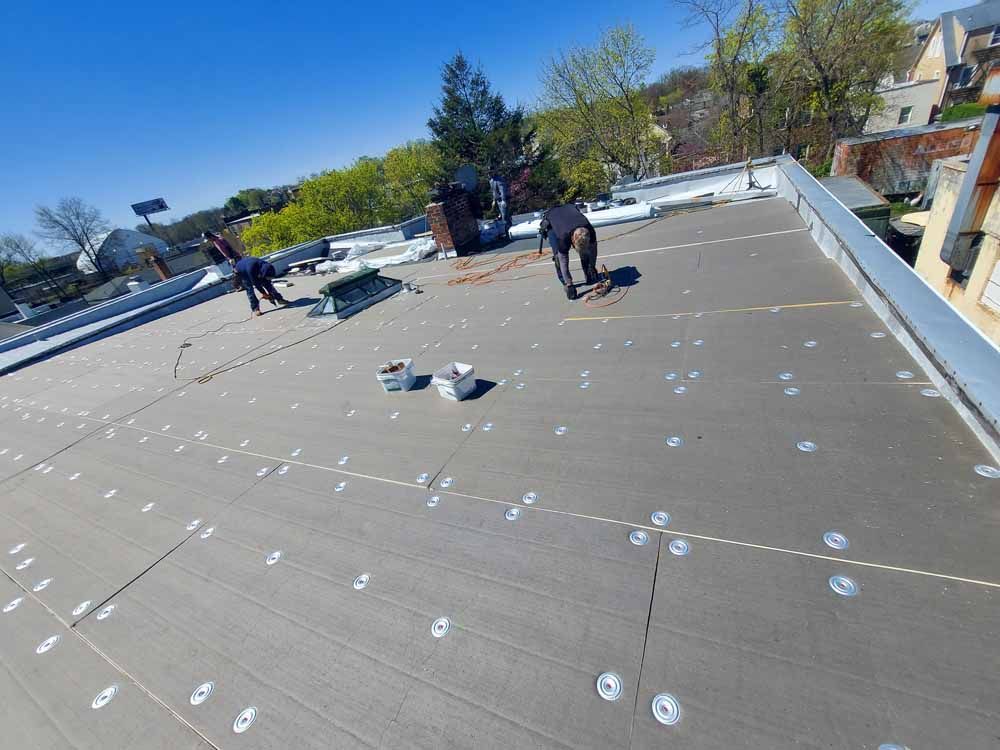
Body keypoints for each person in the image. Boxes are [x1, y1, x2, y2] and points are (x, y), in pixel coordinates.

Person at [540, 203, 599, 300]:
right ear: (572, 240)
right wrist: (569, 283)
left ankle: (588, 272)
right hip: (552, 222)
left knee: (586, 253)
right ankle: (565, 283)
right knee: (558, 259)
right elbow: (563, 261)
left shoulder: (590, 230)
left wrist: (592, 266)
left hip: (569, 214)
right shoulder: (563, 237)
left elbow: (593, 251)